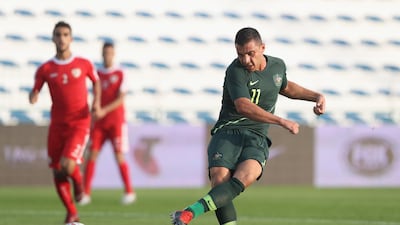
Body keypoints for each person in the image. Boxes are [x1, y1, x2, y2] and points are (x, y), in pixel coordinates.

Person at [170, 27, 326, 225]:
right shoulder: (235, 70)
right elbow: (243, 106)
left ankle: (189, 213)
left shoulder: (277, 66)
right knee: (219, 180)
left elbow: (285, 86)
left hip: (256, 135)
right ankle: (190, 215)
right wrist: (280, 120)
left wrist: (316, 96)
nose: (245, 60)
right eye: (240, 54)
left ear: (262, 48)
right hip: (228, 131)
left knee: (247, 175)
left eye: (250, 54)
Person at [29, 21, 101, 224]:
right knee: (57, 170)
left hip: (79, 122)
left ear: (71, 38)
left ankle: (79, 187)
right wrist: (33, 95)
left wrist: (96, 102)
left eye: (65, 34)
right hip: (57, 125)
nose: (62, 38)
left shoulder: (83, 64)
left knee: (68, 164)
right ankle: (72, 214)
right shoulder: (45, 68)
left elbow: (96, 82)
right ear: (53, 38)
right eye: (58, 34)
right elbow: (35, 89)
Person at [79, 42, 136, 205]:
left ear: (114, 54)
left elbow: (121, 98)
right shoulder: (96, 73)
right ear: (102, 53)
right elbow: (94, 94)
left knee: (119, 156)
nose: (107, 56)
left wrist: (104, 110)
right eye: (105, 53)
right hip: (99, 122)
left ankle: (129, 192)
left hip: (116, 122)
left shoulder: (120, 72)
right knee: (92, 154)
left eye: (110, 53)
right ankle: (86, 193)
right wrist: (95, 108)